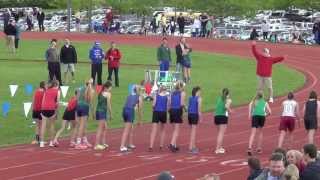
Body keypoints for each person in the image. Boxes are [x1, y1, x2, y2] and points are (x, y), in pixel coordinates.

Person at [120, 85, 143, 152]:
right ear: (138, 90)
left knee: (130, 128)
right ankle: (122, 146)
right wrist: (140, 120)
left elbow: (126, 104)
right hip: (130, 111)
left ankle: (129, 144)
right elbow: (140, 110)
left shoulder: (129, 95)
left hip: (124, 110)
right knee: (127, 130)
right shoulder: (139, 97)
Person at [39, 80, 60, 148]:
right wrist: (57, 112)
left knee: (43, 125)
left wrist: (41, 110)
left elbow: (43, 100)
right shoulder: (58, 91)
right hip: (51, 108)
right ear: (56, 85)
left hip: (44, 108)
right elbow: (57, 103)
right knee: (52, 125)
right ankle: (51, 142)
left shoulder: (47, 90)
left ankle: (41, 143)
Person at [75, 79, 94, 149]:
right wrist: (92, 112)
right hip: (84, 107)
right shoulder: (91, 90)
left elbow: (77, 98)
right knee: (82, 125)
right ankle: (78, 143)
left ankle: (84, 140)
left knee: (83, 125)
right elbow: (90, 101)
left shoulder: (80, 88)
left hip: (78, 106)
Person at [149, 86, 169, 152]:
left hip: (156, 112)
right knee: (163, 130)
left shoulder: (156, 95)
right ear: (165, 90)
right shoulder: (167, 97)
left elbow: (153, 105)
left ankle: (151, 146)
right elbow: (168, 107)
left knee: (154, 130)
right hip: (163, 113)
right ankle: (161, 145)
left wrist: (153, 109)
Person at [94, 81, 112, 150]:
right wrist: (111, 114)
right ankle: (96, 144)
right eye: (111, 87)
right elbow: (108, 104)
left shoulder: (100, 93)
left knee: (105, 127)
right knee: (100, 128)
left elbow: (97, 103)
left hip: (98, 111)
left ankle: (103, 142)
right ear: (108, 87)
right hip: (102, 112)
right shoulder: (108, 94)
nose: (111, 88)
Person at [168, 81, 186, 153]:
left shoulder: (172, 93)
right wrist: (185, 108)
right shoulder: (182, 93)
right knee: (176, 130)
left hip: (171, 111)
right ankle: (172, 144)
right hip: (177, 111)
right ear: (181, 87)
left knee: (174, 129)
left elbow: (169, 103)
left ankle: (174, 145)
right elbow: (181, 103)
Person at [214, 88, 232, 154]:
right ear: (228, 94)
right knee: (221, 133)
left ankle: (220, 147)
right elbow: (226, 107)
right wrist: (230, 111)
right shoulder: (228, 100)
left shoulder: (219, 98)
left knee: (219, 133)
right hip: (222, 116)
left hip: (216, 116)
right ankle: (217, 149)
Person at [188, 86, 202, 154]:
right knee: (193, 132)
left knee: (192, 131)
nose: (200, 93)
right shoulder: (199, 99)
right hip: (194, 115)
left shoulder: (190, 97)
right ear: (197, 92)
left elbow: (189, 106)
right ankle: (191, 148)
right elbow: (199, 109)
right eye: (200, 91)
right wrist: (201, 117)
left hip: (190, 115)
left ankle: (193, 146)